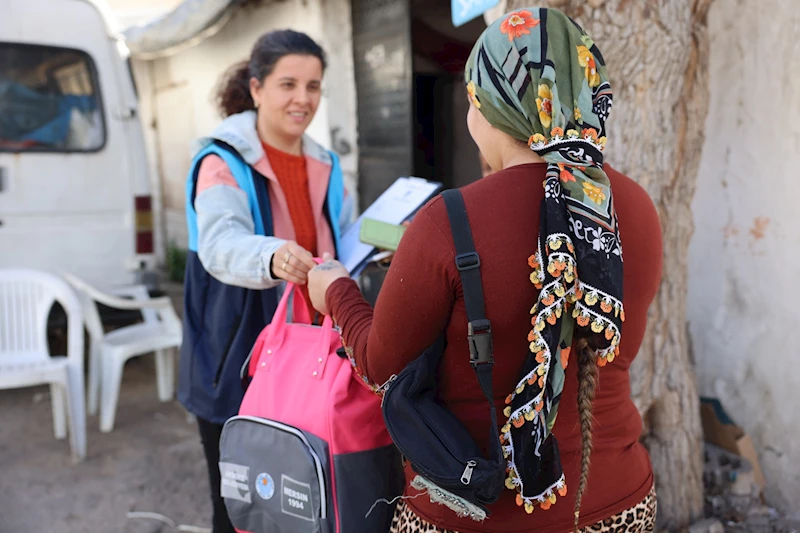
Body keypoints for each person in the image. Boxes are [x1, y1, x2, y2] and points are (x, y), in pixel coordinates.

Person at [308, 7, 662, 533]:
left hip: (472, 514)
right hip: (620, 503)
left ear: (492, 105)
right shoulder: (634, 206)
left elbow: (379, 366)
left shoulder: (449, 221)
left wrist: (336, 290)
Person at [177, 30, 352, 533]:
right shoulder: (221, 162)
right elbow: (218, 242)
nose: (303, 99)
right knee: (238, 508)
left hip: (306, 353)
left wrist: (381, 240)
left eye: (314, 86)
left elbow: (336, 237)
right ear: (256, 89)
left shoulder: (326, 163)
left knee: (299, 499)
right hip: (234, 352)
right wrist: (273, 255)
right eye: (288, 84)